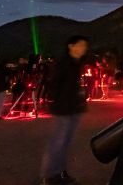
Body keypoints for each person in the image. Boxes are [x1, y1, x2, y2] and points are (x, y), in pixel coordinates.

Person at [39, 35, 89, 185]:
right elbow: (54, 85)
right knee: (58, 142)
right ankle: (49, 175)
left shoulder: (76, 63)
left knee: (65, 143)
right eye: (80, 45)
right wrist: (56, 101)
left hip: (74, 107)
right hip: (64, 108)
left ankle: (60, 172)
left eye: (84, 46)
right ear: (70, 46)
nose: (83, 48)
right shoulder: (64, 63)